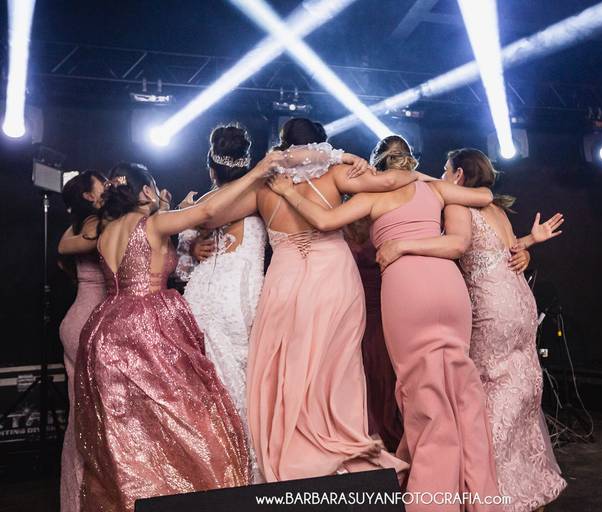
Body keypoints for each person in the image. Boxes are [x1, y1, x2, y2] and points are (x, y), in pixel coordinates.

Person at [267, 136, 501, 511]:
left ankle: (433, 501)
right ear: (408, 163)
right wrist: (418, 177)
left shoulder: (373, 197)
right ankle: (480, 498)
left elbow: (324, 220)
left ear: (378, 167)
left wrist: (287, 192)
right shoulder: (433, 189)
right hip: (449, 287)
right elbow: (485, 196)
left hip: (407, 290)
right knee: (463, 392)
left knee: (423, 397)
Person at [205, 118, 417, 482]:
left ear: (283, 145)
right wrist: (421, 178)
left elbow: (211, 215)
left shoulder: (264, 186)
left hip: (285, 278)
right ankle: (340, 444)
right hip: (332, 274)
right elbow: (391, 181)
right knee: (338, 365)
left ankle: (295, 449)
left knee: (288, 366)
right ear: (322, 143)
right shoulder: (335, 173)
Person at [74, 156, 279, 510]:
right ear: (146, 191)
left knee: (128, 430)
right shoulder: (153, 224)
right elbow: (207, 211)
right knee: (185, 419)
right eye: (153, 188)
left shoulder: (106, 231)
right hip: (148, 325)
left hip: (105, 328)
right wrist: (258, 172)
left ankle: (134, 499)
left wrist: (167, 211)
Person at [375, 148, 567, 511]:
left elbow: (457, 245)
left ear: (459, 175)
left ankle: (491, 489)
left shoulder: (457, 204)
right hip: (520, 303)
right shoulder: (496, 209)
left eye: (445, 170)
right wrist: (530, 243)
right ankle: (527, 485)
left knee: (480, 396)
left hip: (491, 308)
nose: (441, 176)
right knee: (520, 392)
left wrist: (401, 246)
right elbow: (507, 251)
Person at [175, 124, 268, 481]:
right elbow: (183, 263)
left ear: (211, 166)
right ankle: (230, 472)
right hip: (222, 298)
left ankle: (226, 472)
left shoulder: (209, 204)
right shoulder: (254, 192)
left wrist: (187, 222)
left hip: (219, 299)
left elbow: (204, 219)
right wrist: (192, 247)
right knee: (227, 387)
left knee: (220, 388)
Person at [57, 171, 107, 512]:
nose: (109, 184)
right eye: (102, 182)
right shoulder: (98, 225)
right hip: (91, 322)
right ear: (89, 196)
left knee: (82, 416)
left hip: (80, 318)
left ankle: (80, 499)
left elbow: (63, 250)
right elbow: (70, 247)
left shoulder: (78, 225)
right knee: (94, 418)